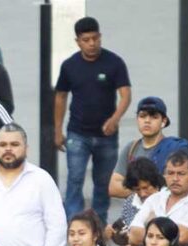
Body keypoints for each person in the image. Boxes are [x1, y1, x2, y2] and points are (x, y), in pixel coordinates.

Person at [54, 16, 132, 220]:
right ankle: (75, 222)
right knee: (75, 179)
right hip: (77, 133)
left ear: (100, 37)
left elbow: (125, 94)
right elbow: (61, 97)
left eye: (95, 38)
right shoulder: (70, 66)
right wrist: (57, 130)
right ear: (78, 41)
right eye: (86, 40)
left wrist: (115, 119)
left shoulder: (114, 62)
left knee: (104, 182)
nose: (91, 44)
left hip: (107, 136)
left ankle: (98, 223)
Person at [107, 97, 188, 199]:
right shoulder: (131, 148)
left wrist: (135, 187)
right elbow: (113, 187)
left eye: (154, 117)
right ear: (137, 119)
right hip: (136, 212)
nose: (147, 121)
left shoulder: (174, 149)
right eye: (142, 116)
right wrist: (145, 190)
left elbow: (182, 185)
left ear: (164, 121)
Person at [107, 157, 162, 246]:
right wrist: (116, 235)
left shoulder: (165, 201)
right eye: (137, 189)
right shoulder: (130, 201)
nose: (142, 193)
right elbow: (126, 230)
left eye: (146, 188)